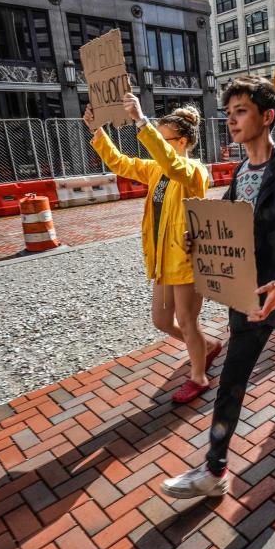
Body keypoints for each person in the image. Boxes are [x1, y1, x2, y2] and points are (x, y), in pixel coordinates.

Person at [161, 76, 275, 499]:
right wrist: (199, 238)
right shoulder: (241, 171)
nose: (231, 120)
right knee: (231, 382)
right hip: (246, 298)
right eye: (228, 113)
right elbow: (230, 223)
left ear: (267, 116)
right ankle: (215, 469)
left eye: (241, 111)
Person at [84, 98, 221, 405]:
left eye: (162, 137)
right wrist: (97, 130)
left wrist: (143, 123)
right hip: (162, 258)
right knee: (161, 320)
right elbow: (120, 163)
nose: (154, 143)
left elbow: (174, 166)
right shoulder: (156, 170)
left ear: (181, 141)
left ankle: (198, 377)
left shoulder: (193, 171)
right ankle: (207, 345)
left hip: (185, 259)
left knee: (187, 321)